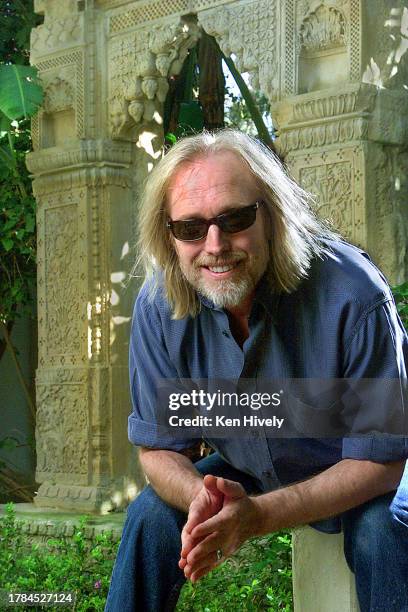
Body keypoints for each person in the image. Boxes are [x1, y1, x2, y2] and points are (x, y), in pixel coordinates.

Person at [105, 129, 408, 612]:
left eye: (235, 218)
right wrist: (200, 497)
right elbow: (160, 448)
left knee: (382, 529)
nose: (215, 245)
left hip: (363, 467)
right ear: (168, 233)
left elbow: (381, 459)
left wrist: (257, 516)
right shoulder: (159, 305)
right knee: (150, 515)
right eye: (190, 228)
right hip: (250, 461)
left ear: (272, 213)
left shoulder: (354, 294)